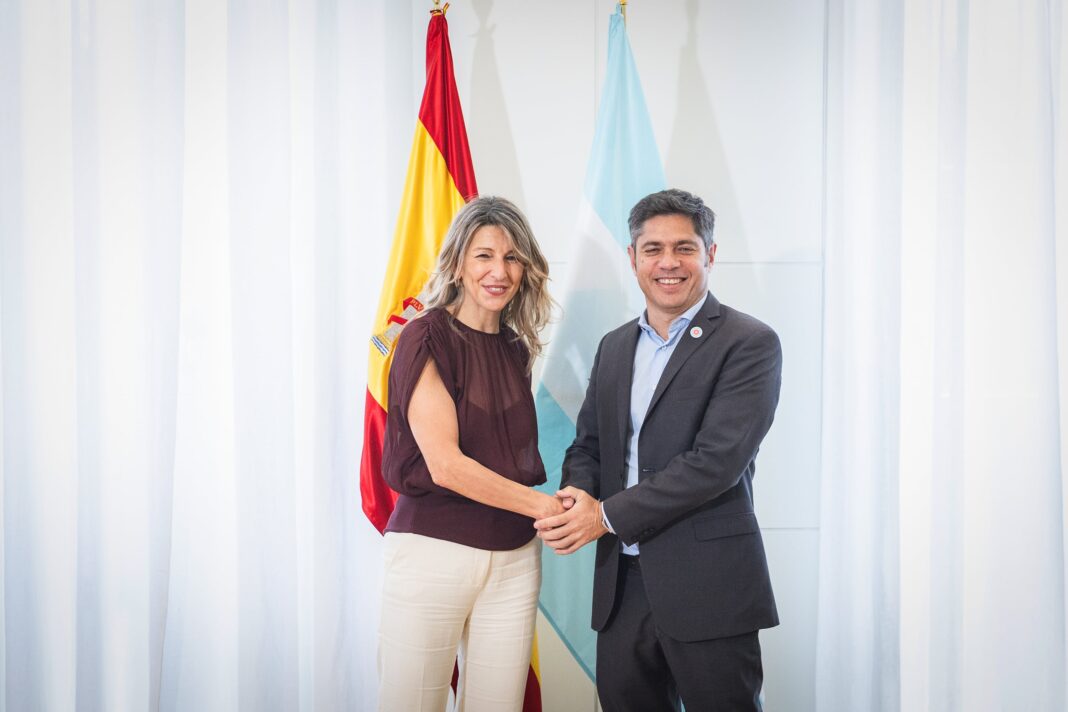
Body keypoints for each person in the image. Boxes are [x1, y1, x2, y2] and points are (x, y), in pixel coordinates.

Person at [534, 188, 782, 711]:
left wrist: (603, 516)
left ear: (710, 255)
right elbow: (589, 444)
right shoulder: (615, 345)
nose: (668, 263)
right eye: (653, 249)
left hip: (708, 585)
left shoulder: (749, 343)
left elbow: (716, 463)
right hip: (621, 588)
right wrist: (579, 493)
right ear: (632, 258)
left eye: (684, 248)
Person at [377, 196, 564, 712]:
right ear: (458, 263)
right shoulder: (423, 336)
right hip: (432, 552)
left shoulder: (515, 348)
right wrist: (546, 509)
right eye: (484, 256)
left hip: (515, 560)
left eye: (511, 257)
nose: (498, 271)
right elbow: (446, 464)